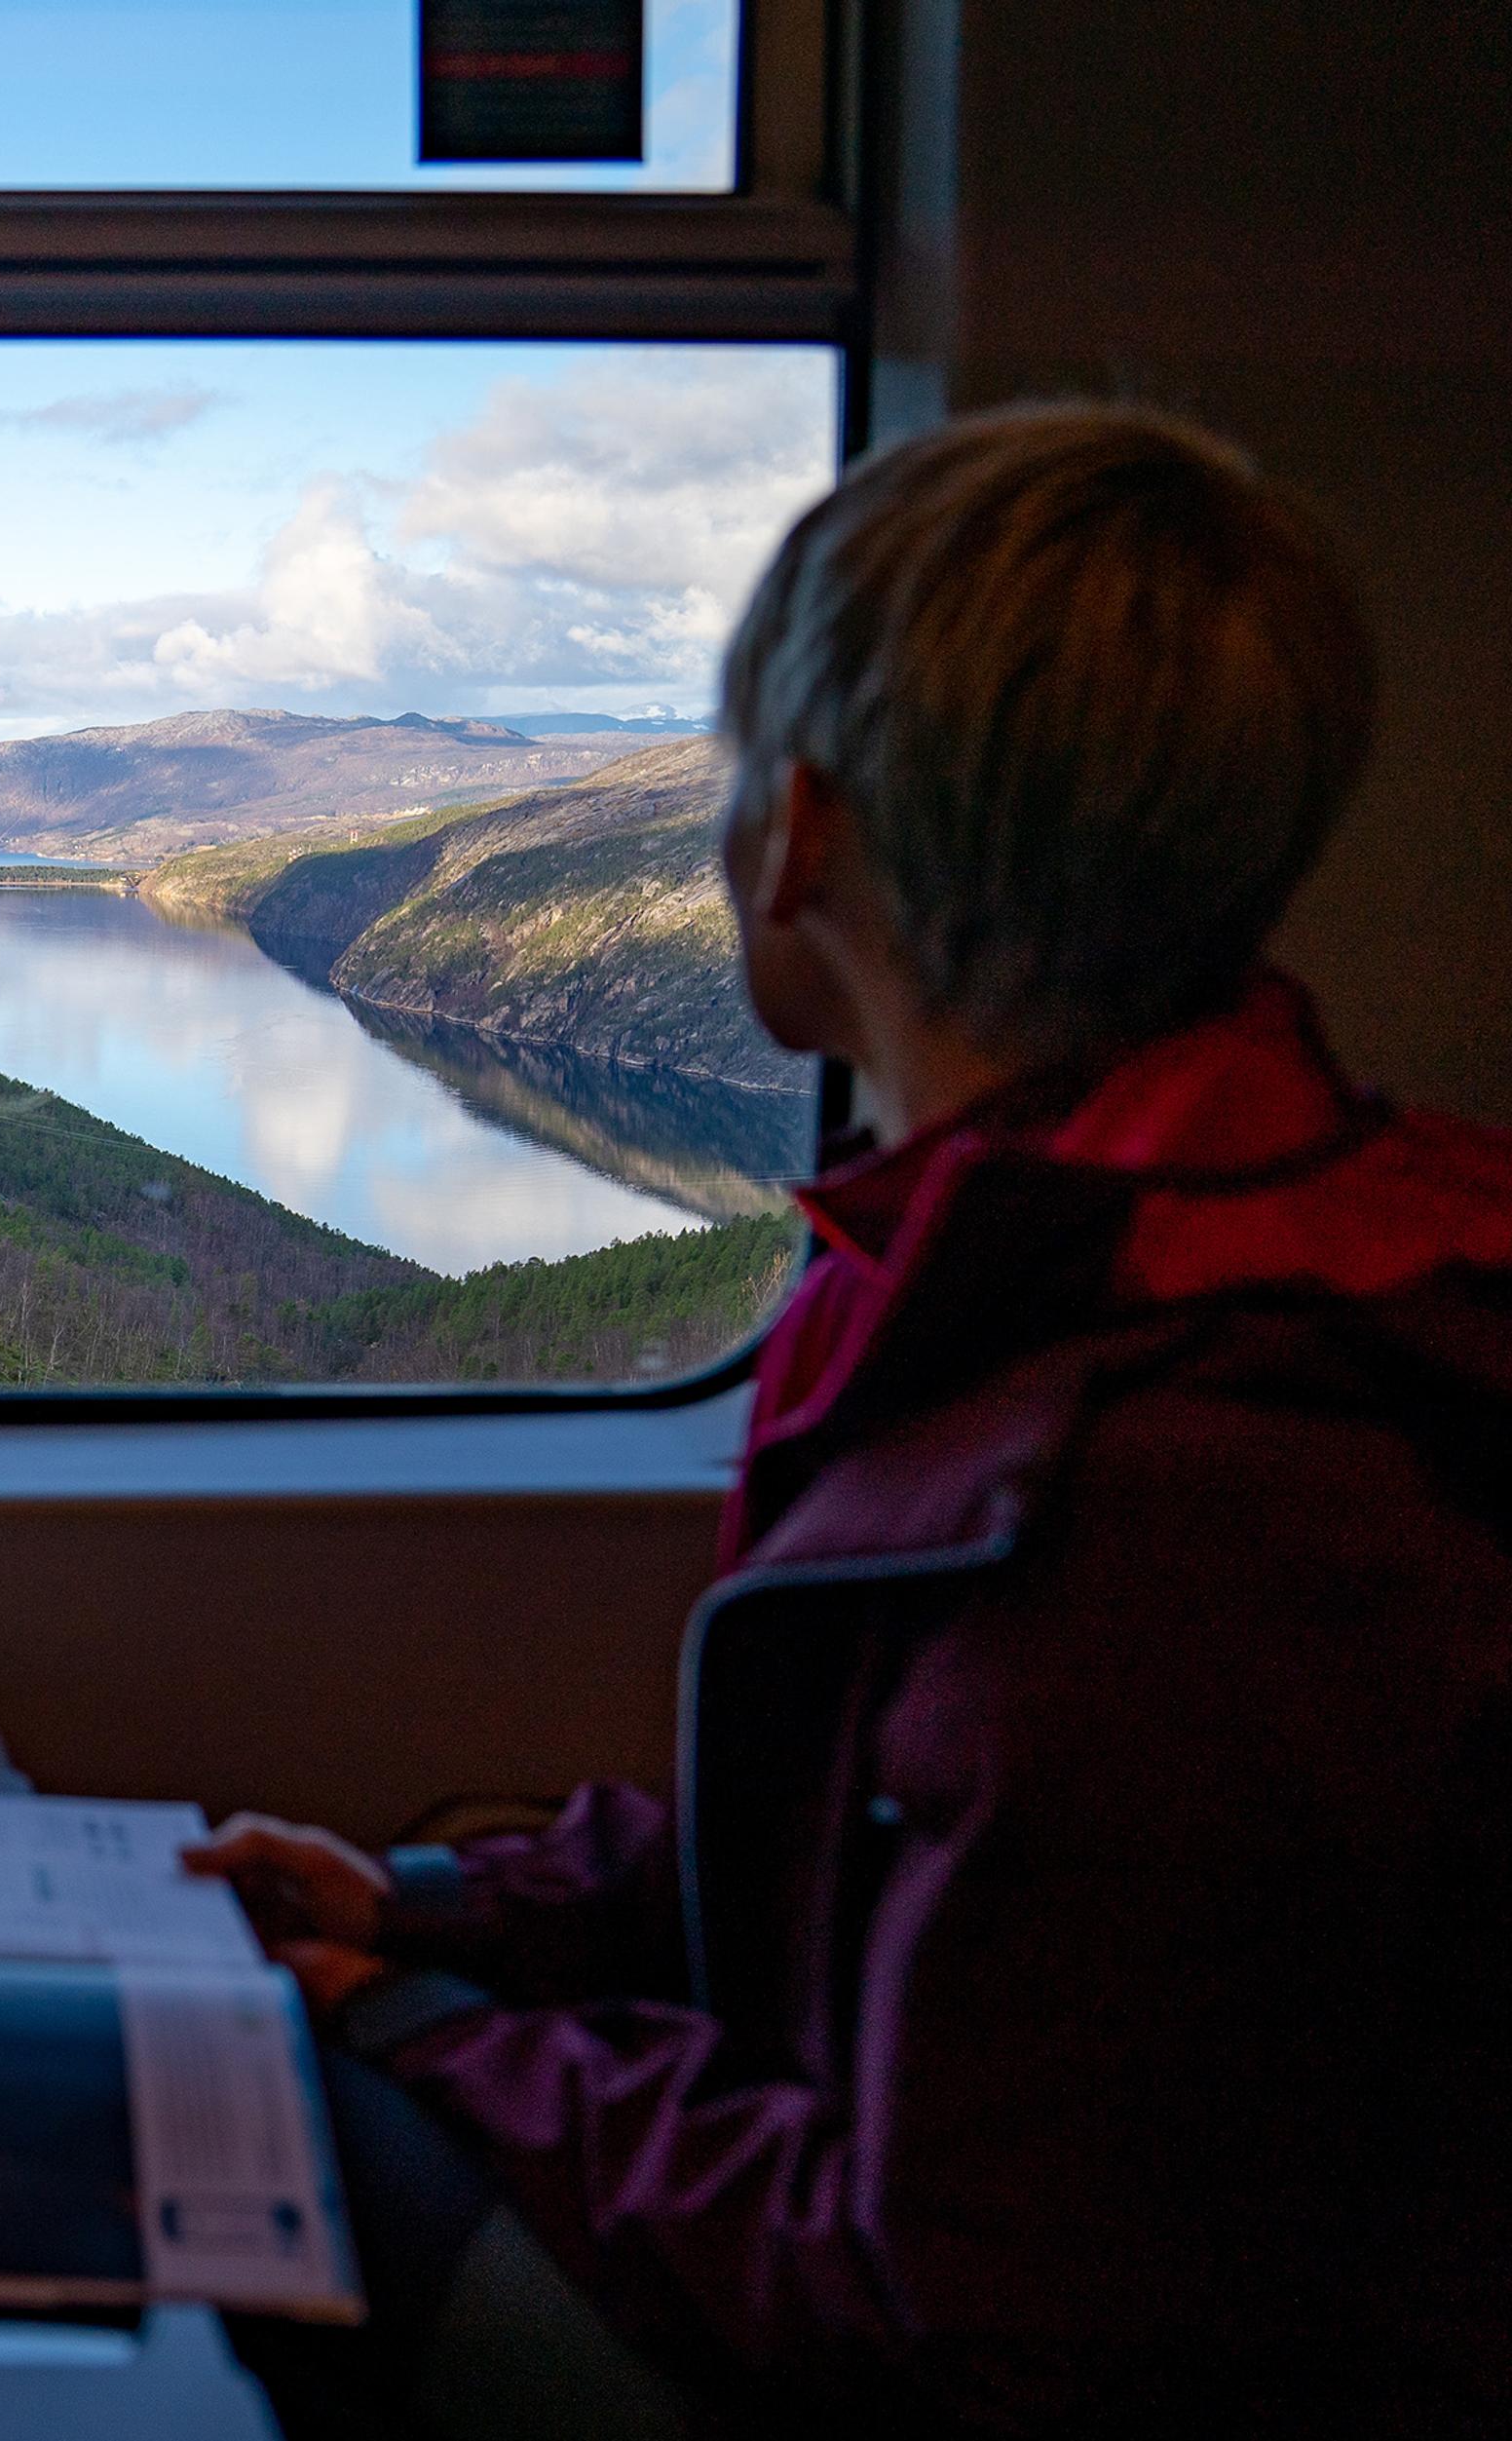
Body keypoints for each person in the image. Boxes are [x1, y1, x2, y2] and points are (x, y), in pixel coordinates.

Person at [192, 405, 1512, 2437]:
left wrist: (421, 2029)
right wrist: (445, 1906)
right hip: (955, 2272)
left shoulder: (1200, 1485)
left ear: (796, 839)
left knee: (238, 2142)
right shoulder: (1125, 1257)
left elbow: (957, 2306)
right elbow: (881, 1866)